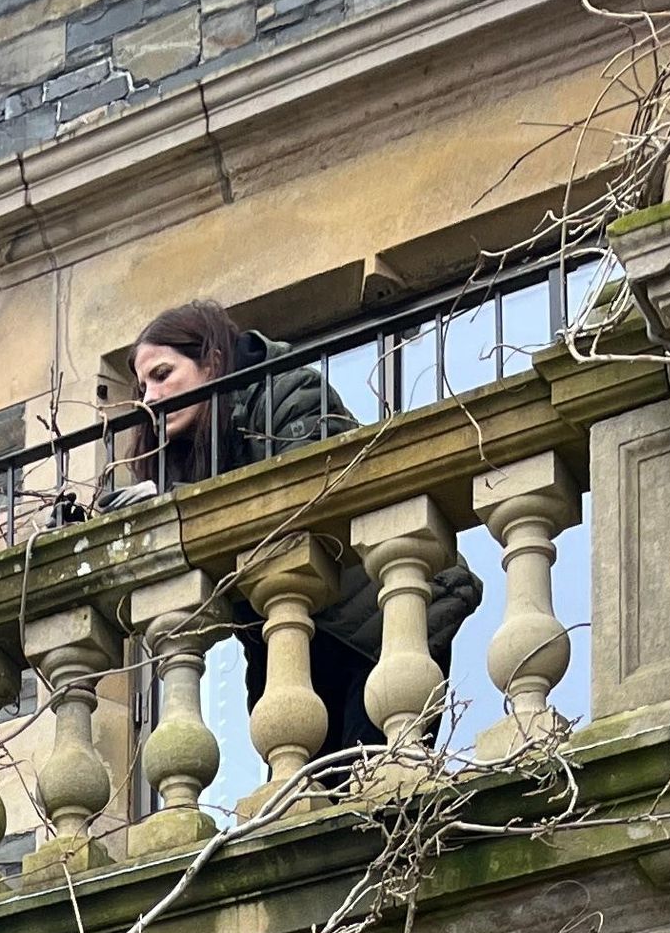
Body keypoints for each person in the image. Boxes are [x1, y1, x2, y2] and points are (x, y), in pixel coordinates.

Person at [115, 299, 482, 755]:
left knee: (376, 793)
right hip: (296, 638)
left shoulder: (289, 391)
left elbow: (303, 503)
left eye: (163, 375)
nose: (149, 397)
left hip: (387, 619)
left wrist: (180, 509)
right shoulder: (185, 456)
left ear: (211, 362)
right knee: (297, 798)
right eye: (142, 385)